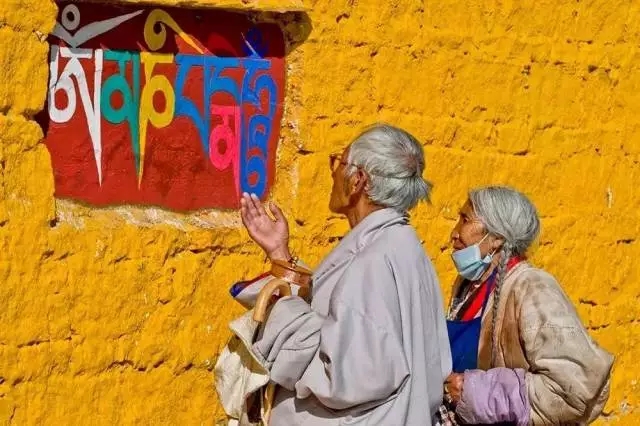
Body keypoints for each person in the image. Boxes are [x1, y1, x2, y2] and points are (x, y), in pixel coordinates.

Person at [238, 124, 452, 425]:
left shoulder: (374, 261)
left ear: (358, 180)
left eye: (339, 162)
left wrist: (283, 315)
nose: (333, 172)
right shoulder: (404, 249)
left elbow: (349, 376)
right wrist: (280, 254)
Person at [442, 186, 614, 425]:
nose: (454, 233)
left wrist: (475, 393)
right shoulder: (466, 287)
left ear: (497, 238)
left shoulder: (532, 287)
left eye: (465, 220)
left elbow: (575, 388)